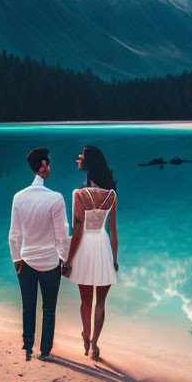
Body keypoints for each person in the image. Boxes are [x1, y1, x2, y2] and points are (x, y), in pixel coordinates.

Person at [8, 148, 69, 361]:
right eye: (48, 164)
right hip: (51, 262)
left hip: (27, 261)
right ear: (43, 165)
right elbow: (62, 235)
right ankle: (45, 350)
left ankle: (27, 345)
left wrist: (17, 259)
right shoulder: (56, 198)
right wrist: (64, 260)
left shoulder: (18, 197)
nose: (49, 167)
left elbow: (14, 234)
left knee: (28, 306)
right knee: (49, 309)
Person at [62, 145, 118, 361]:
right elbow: (113, 231)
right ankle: (95, 344)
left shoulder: (79, 194)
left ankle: (85, 339)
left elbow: (77, 230)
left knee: (85, 301)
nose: (78, 158)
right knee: (101, 303)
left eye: (82, 156)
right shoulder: (111, 195)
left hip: (85, 247)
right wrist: (114, 259)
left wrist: (68, 260)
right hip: (103, 246)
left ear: (89, 164)